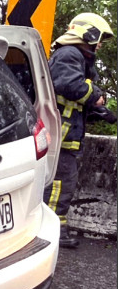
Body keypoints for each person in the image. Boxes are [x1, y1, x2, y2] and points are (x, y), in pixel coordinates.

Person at [43, 12, 114, 248]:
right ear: (88, 33)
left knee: (62, 184)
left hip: (65, 136)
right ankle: (53, 231)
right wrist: (97, 97)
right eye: (99, 38)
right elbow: (69, 85)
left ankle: (54, 228)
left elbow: (72, 97)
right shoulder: (69, 53)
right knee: (61, 186)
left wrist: (98, 110)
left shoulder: (75, 57)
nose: (100, 43)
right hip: (61, 138)